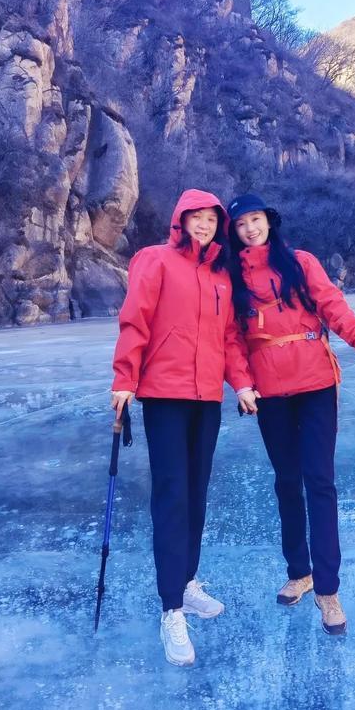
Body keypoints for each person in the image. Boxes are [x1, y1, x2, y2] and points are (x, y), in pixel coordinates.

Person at [225, 193, 355, 636]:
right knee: (286, 481)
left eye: (256, 219)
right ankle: (299, 571)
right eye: (241, 224)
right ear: (234, 231)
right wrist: (242, 383)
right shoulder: (231, 277)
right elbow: (231, 340)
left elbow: (331, 304)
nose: (250, 229)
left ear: (269, 221)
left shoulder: (299, 261)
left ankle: (328, 589)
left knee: (319, 481)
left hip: (316, 383)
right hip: (269, 390)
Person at [110, 189, 258, 667]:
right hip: (165, 397)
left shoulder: (221, 275)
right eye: (194, 217)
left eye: (210, 219)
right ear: (180, 219)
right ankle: (171, 609)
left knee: (197, 493)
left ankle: (187, 580)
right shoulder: (155, 261)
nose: (203, 225)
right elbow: (135, 322)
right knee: (173, 497)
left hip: (205, 399)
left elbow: (231, 338)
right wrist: (123, 379)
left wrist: (241, 384)